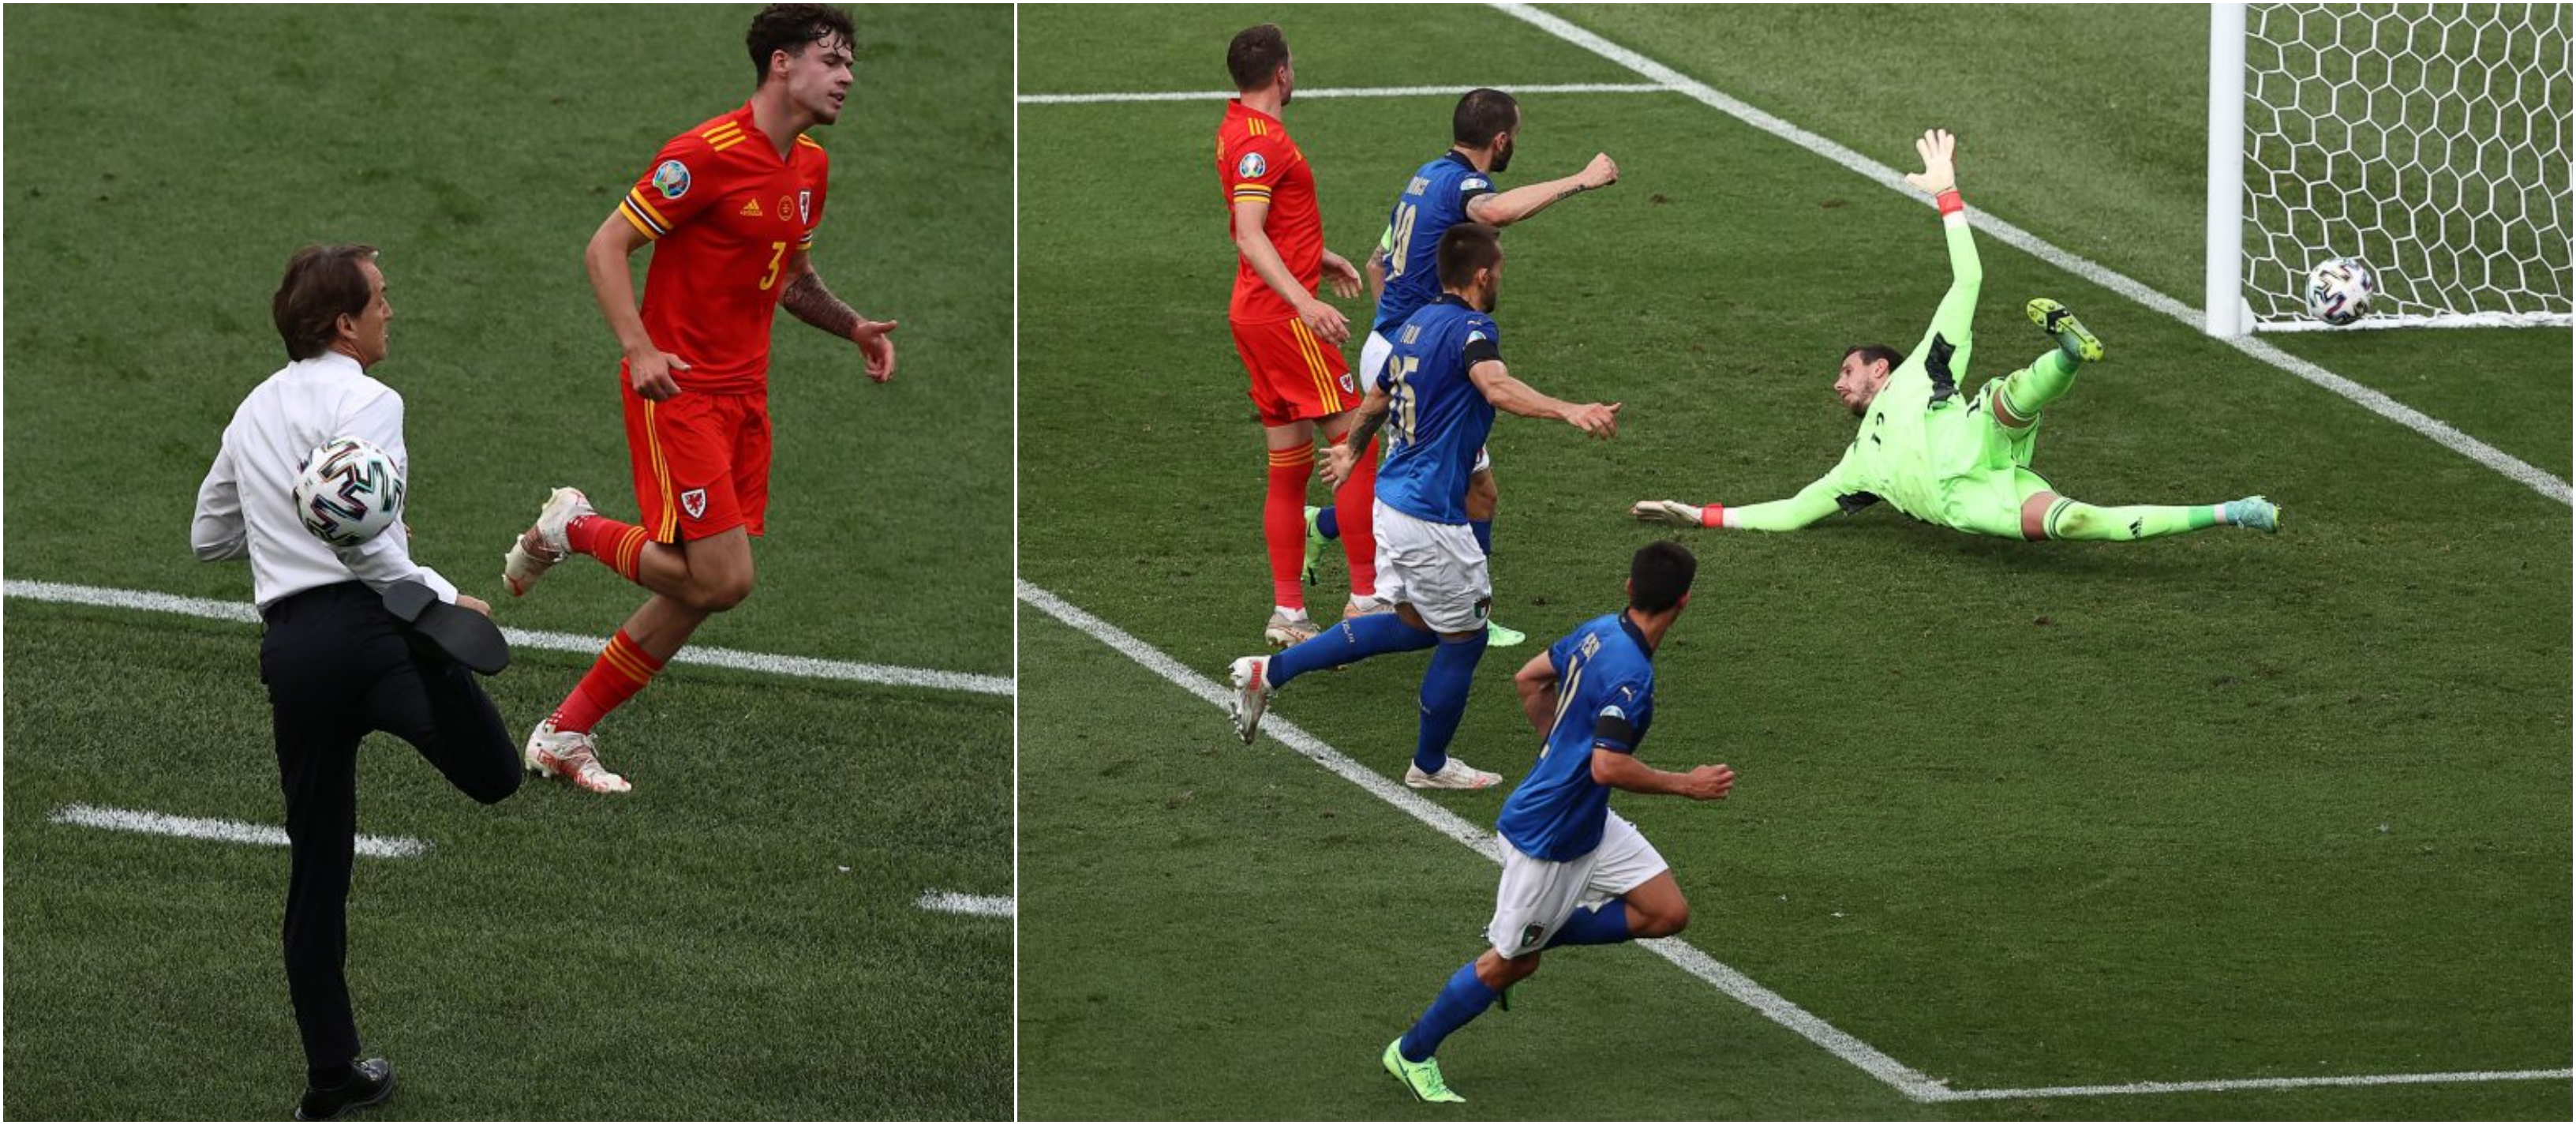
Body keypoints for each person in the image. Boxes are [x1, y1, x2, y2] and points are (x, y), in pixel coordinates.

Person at [501, 3, 898, 794]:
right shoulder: (703, 156)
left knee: (697, 584)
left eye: (851, 62)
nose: (848, 76)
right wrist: (639, 348)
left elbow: (791, 279)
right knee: (723, 579)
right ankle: (574, 527)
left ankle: (565, 732)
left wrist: (852, 325)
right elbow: (606, 246)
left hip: (746, 401)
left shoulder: (809, 168)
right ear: (782, 63)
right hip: (678, 391)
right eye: (831, 60)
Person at [193, 244, 522, 1121]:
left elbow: (207, 537)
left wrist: (280, 514)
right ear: (344, 324)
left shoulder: (252, 410)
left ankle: (331, 1075)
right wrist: (441, 600)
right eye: (380, 300)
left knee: (317, 870)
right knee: (494, 775)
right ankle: (439, 660)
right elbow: (361, 536)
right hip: (375, 632)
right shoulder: (372, 400)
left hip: (294, 652)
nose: (390, 312)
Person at [1634, 129, 2280, 542]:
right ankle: (2234, 510)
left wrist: (1947, 195)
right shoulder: (1856, 469)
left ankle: (2067, 356)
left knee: (2005, 400)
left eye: (1847, 370)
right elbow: (1791, 511)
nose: (1837, 384)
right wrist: (1700, 513)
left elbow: (1968, 279)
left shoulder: (1923, 367)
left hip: (1973, 434)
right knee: (2081, 520)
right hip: (1973, 500)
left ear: (1880, 369)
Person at [1227, 223, 1619, 791]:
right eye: (1499, 271)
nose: (1501, 278)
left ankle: (1269, 672)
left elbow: (1376, 398)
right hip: (1430, 517)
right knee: (1467, 638)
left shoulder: (1416, 324)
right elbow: (1496, 387)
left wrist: (1350, 450)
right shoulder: (1473, 331)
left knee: (1414, 628)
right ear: (1481, 276)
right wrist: (1569, 409)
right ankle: (1429, 766)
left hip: (1393, 502)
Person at [1381, 542, 1735, 1104]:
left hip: (1584, 822)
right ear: (1685, 601)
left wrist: (1558, 746)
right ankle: (1412, 1051)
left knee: (1667, 912)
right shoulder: (1632, 678)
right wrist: (1686, 784)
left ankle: (1530, 936)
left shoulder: (1600, 631)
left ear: (1629, 588)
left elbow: (1529, 678)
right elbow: (1606, 766)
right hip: (1546, 839)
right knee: (1507, 967)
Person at [1306, 87, 1620, 648]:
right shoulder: (1462, 187)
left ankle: (1333, 532)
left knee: (1469, 489)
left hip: (1396, 346)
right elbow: (1494, 212)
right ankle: (1362, 616)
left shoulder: (1424, 177)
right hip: (1419, 361)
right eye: (1514, 137)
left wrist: (1404, 331)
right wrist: (1581, 180)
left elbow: (1378, 263)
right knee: (1436, 494)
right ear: (1499, 140)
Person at [1215, 22, 1377, 648]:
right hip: (1282, 318)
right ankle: (1368, 599)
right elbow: (1249, 232)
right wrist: (1305, 301)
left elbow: (1261, 223)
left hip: (1255, 314)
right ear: (1282, 73)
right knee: (1357, 440)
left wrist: (1318, 257)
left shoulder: (1235, 128)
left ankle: (1289, 612)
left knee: (1287, 466)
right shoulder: (1263, 142)